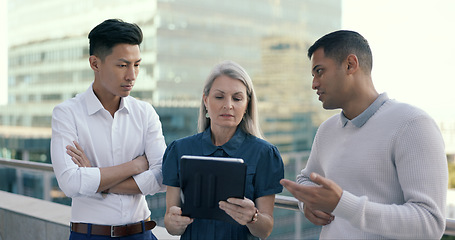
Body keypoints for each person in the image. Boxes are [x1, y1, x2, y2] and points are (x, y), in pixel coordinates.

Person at [280, 30, 448, 239]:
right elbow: (306, 178)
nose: (314, 84)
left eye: (319, 71)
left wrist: (343, 204)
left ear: (351, 64)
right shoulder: (327, 129)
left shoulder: (412, 124)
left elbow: (430, 224)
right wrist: (307, 204)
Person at [51, 19, 166, 240]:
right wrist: (135, 165)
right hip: (90, 235)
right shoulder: (67, 113)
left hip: (141, 234)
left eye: (137, 64)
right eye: (122, 65)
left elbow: (162, 178)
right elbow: (71, 184)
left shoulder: (145, 113)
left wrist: (98, 181)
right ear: (95, 63)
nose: (132, 75)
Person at [162, 60, 284, 240]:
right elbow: (171, 225)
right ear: (205, 100)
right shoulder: (179, 150)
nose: (228, 105)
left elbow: (265, 230)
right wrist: (173, 222)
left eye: (237, 98)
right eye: (219, 97)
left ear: (247, 104)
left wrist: (252, 217)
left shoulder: (265, 154)